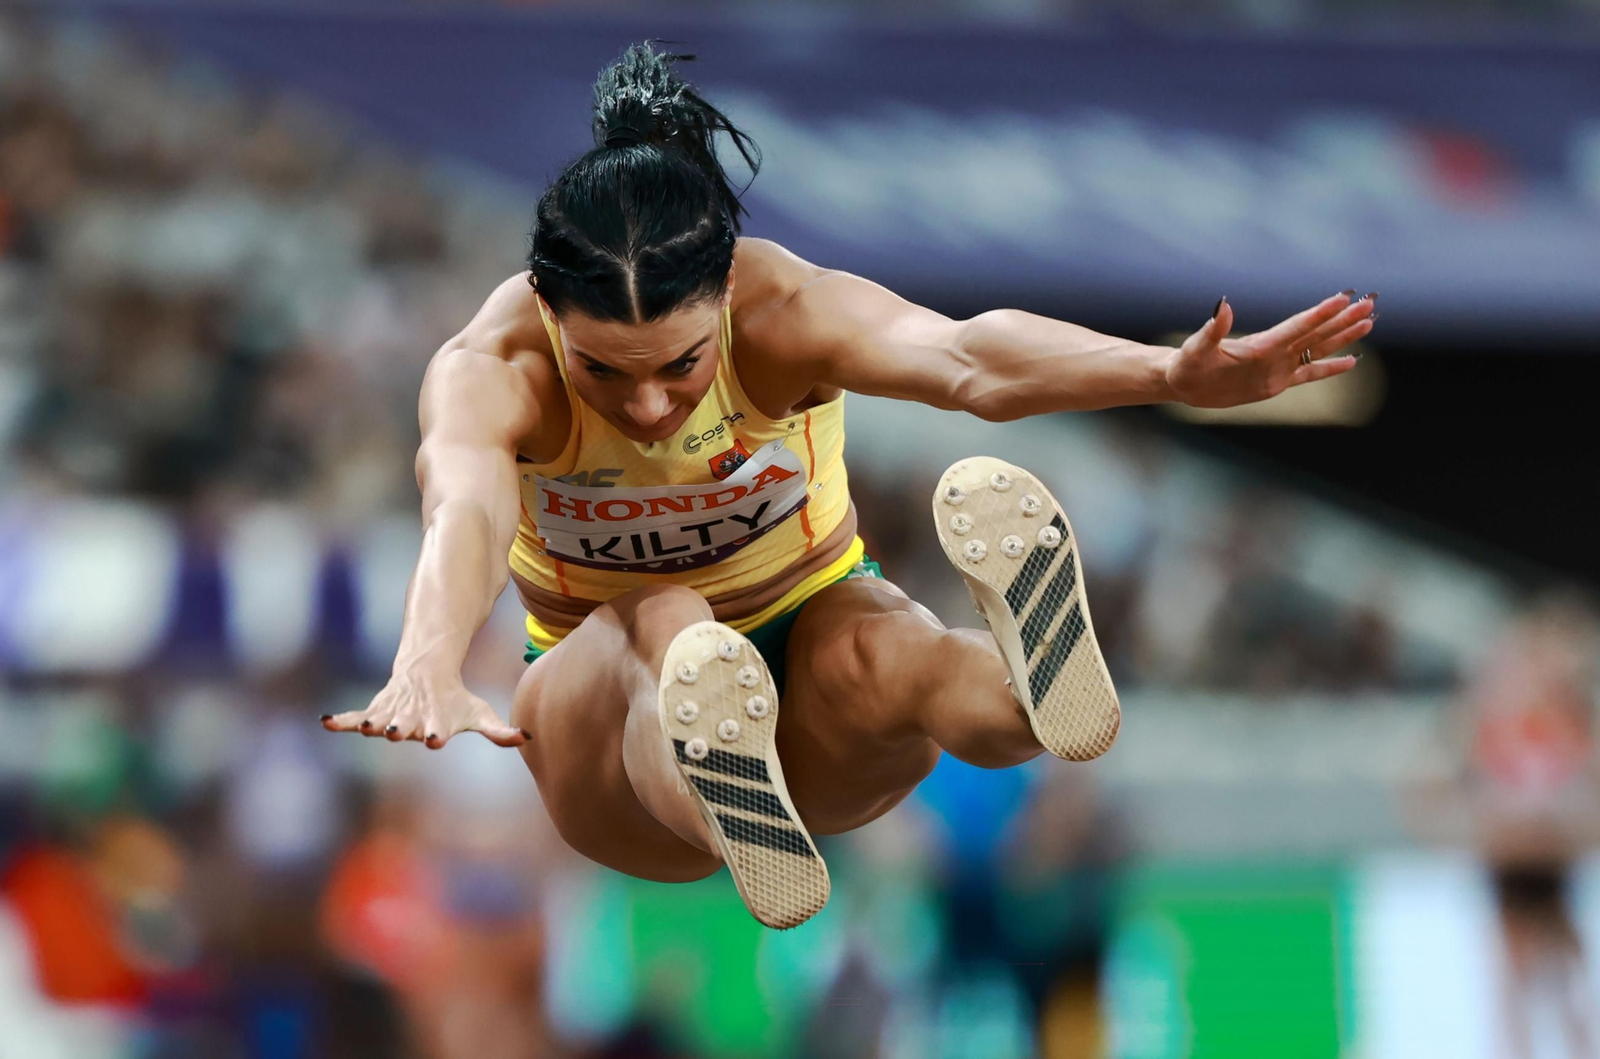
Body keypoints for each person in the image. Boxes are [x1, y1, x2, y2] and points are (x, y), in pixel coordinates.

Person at [323, 44, 1377, 929]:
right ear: (552, 316)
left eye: (680, 367)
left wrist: (1161, 372)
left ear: (727, 293)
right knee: (675, 620)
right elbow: (461, 503)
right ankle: (729, 783)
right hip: (614, 746)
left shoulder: (785, 309)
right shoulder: (493, 366)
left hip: (815, 703)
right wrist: (426, 659)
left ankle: (1028, 692)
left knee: (880, 646)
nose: (646, 406)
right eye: (607, 372)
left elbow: (967, 357)